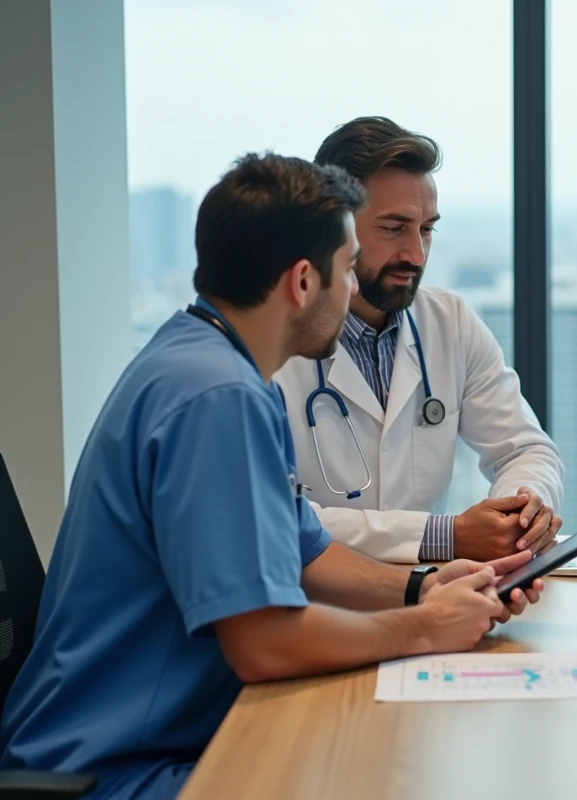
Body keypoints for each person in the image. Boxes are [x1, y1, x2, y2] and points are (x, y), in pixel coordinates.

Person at [0, 153, 543, 800]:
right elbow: (262, 643)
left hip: (163, 738)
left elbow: (308, 556)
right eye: (347, 269)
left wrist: (424, 588)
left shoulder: (206, 362)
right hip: (113, 769)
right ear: (303, 281)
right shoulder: (217, 398)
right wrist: (425, 629)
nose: (352, 291)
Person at [274, 116, 565, 566]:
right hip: (315, 599)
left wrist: (521, 509)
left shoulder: (450, 323)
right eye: (394, 228)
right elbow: (275, 517)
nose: (416, 254)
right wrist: (445, 536)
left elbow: (526, 448)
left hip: (435, 595)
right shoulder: (273, 344)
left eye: (426, 229)